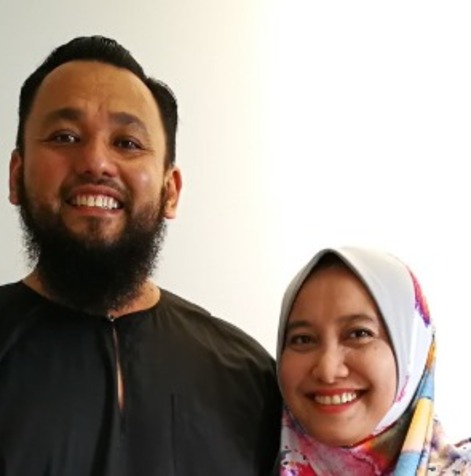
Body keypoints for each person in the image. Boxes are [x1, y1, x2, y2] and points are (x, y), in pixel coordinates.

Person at [0, 35, 281, 475]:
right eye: (65, 136)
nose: (95, 162)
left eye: (128, 143)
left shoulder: (252, 379)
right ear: (16, 177)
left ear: (171, 190)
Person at [276, 246, 471, 475]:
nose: (328, 370)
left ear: (412, 353)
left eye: (359, 334)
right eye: (303, 339)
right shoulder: (245, 463)